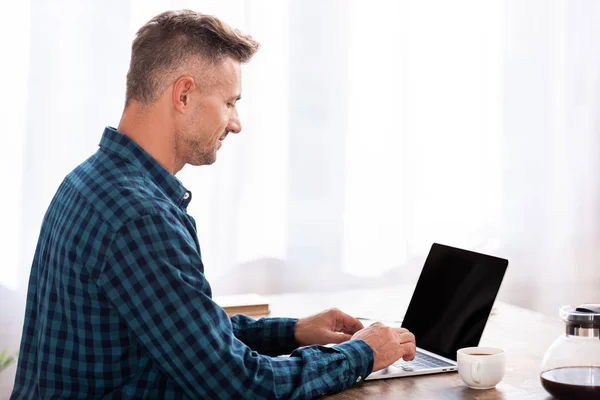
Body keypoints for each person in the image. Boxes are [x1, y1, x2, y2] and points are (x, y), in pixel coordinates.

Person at [11, 10, 416, 399]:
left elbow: (185, 331)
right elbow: (241, 387)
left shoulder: (89, 180)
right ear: (184, 94)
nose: (236, 122)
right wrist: (362, 353)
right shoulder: (142, 217)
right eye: (229, 102)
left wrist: (293, 331)